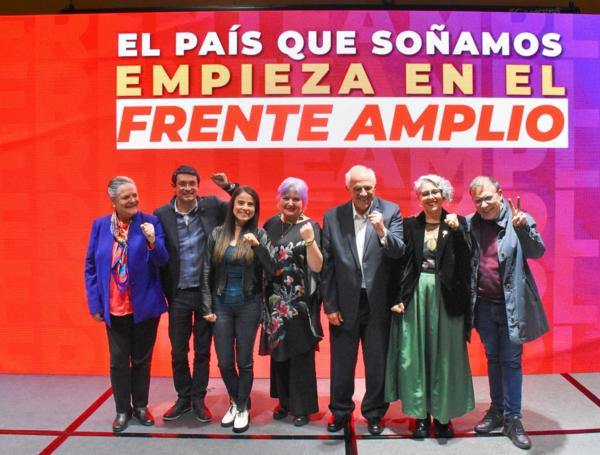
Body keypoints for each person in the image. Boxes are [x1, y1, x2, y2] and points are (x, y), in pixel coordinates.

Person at [384, 174, 474, 438]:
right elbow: (397, 264)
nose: (431, 197)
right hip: (415, 296)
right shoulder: (410, 225)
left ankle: (443, 417)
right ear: (419, 198)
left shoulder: (458, 223)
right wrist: (396, 298)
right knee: (416, 355)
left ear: (444, 195)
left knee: (445, 357)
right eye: (425, 193)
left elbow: (468, 263)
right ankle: (420, 416)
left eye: (435, 192)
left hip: (448, 299)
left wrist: (458, 233)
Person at [321, 165, 405, 435]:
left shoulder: (390, 211)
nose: (364, 192)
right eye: (357, 188)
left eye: (368, 187)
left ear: (375, 187)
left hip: (378, 301)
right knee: (342, 362)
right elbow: (327, 266)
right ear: (348, 189)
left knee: (377, 362)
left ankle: (375, 412)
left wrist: (382, 230)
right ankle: (340, 411)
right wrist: (330, 305)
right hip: (345, 302)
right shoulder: (333, 217)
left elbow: (399, 252)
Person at [468, 176, 548, 450]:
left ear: (500, 194)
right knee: (492, 358)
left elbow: (537, 251)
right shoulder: (471, 223)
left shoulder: (519, 219)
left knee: (511, 361)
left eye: (488, 198)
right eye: (478, 200)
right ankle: (497, 410)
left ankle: (513, 419)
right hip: (483, 306)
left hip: (510, 306)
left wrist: (523, 229)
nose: (483, 204)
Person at [85, 176, 168, 433]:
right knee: (119, 360)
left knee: (142, 359)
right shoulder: (100, 226)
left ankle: (141, 406)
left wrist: (152, 241)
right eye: (126, 197)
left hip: (145, 305)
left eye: (134, 195)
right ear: (113, 201)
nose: (132, 200)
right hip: (114, 306)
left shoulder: (150, 222)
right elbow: (90, 266)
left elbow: (163, 260)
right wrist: (94, 303)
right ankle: (122, 410)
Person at [154, 165, 237, 423]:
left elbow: (243, 207)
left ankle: (199, 399)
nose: (188, 188)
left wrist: (228, 187)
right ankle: (184, 397)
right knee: (178, 351)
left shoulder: (211, 206)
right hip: (178, 293)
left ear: (198, 186)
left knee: (203, 350)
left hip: (206, 293)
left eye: (192, 183)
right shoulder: (161, 214)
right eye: (183, 184)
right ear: (174, 187)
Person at [201, 186, 276, 433]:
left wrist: (257, 247)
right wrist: (207, 305)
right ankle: (236, 400)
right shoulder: (217, 234)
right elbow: (206, 271)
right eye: (241, 203)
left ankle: (241, 407)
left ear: (255, 209)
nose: (245, 208)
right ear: (232, 206)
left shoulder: (260, 234)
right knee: (224, 362)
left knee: (244, 361)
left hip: (249, 305)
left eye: (250, 204)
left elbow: (272, 269)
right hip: (221, 305)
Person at [260, 177, 323, 427]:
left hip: (299, 302)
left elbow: (317, 266)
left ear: (304, 202)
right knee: (280, 352)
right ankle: (285, 402)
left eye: (296, 199)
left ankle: (302, 407)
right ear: (278, 200)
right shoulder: (270, 224)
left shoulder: (311, 226)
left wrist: (309, 240)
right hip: (275, 300)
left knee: (300, 354)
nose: (290, 203)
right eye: (286, 197)